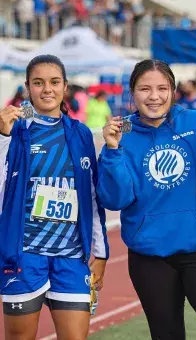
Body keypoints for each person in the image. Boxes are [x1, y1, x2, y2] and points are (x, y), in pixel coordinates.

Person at [97, 59, 196, 340]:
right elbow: (116, 200)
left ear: (173, 90)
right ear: (132, 92)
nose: (154, 96)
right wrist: (112, 152)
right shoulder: (119, 133)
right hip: (149, 256)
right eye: (145, 89)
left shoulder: (195, 121)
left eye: (162, 88)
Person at [0, 54, 109, 340]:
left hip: (72, 257)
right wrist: (2, 138)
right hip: (24, 254)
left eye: (54, 82)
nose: (47, 89)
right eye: (38, 83)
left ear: (65, 86)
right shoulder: (14, 130)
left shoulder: (81, 134)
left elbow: (92, 195)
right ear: (27, 87)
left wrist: (101, 251)